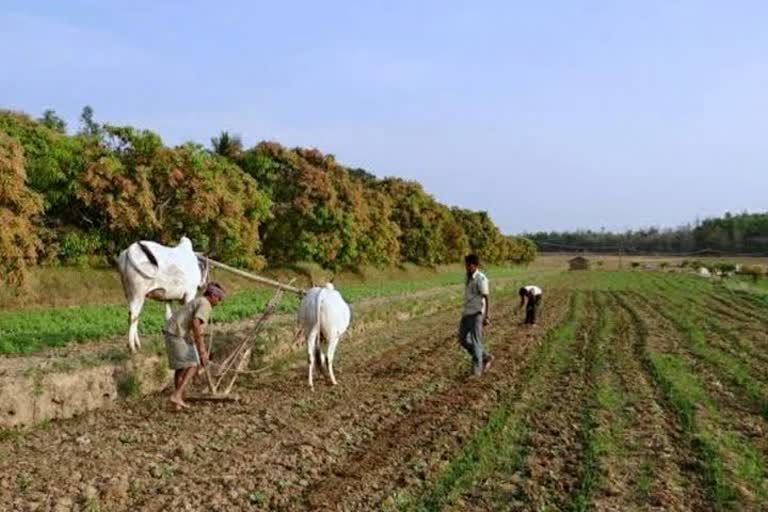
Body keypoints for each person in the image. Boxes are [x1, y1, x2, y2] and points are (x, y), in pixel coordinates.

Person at [163, 282, 225, 409]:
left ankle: (177, 402)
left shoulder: (199, 300)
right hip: (177, 333)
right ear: (212, 295)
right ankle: (177, 395)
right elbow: (196, 323)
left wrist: (197, 345)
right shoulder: (205, 304)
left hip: (173, 331)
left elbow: (193, 327)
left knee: (180, 367)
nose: (219, 302)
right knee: (193, 364)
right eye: (219, 298)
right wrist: (202, 350)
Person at [459, 254, 493, 376]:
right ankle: (485, 356)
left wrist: (487, 316)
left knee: (476, 341)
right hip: (466, 312)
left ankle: (476, 372)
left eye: (469, 265)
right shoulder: (466, 276)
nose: (467, 267)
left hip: (476, 314)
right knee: (462, 340)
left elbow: (486, 297)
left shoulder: (481, 278)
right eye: (466, 265)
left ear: (476, 265)